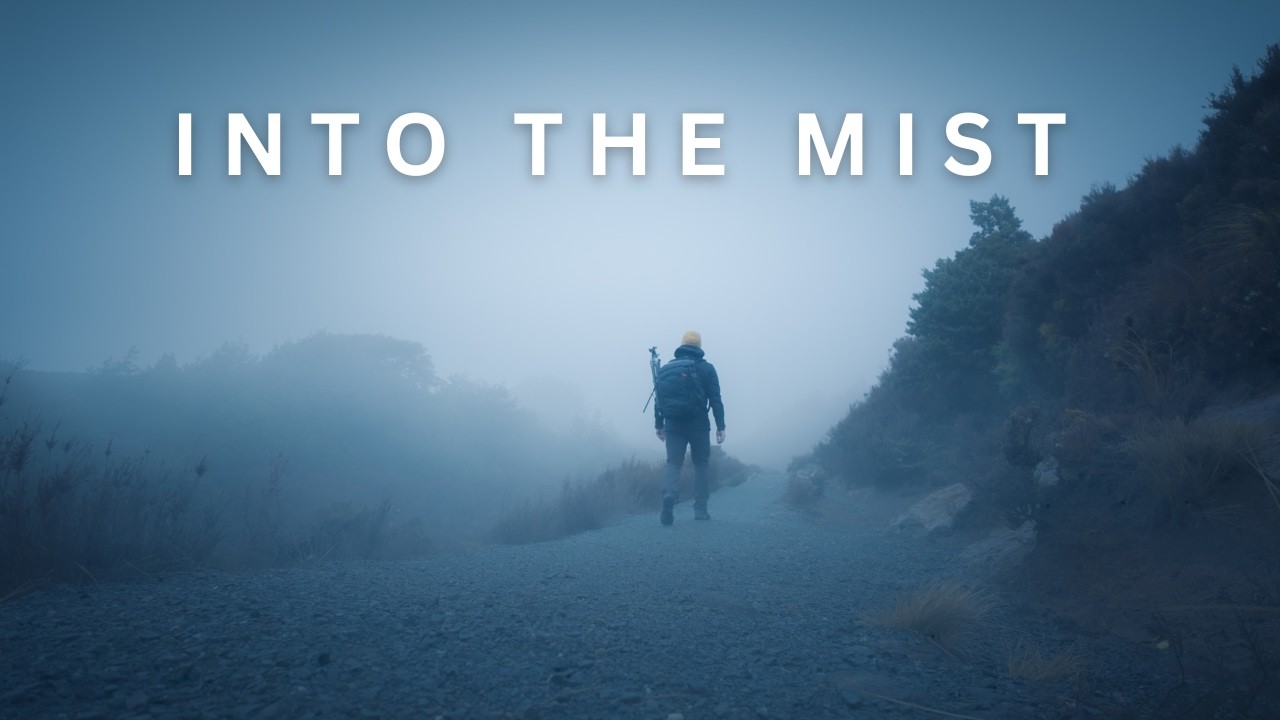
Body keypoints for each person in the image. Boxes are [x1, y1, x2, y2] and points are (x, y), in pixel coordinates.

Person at [654, 330, 726, 525]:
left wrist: (659, 425)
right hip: (698, 423)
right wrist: (721, 426)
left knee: (673, 463)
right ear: (699, 347)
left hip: (673, 423)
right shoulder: (707, 368)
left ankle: (669, 495)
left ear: (682, 345)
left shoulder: (667, 368)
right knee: (701, 464)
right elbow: (716, 399)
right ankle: (700, 510)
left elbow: (659, 398)